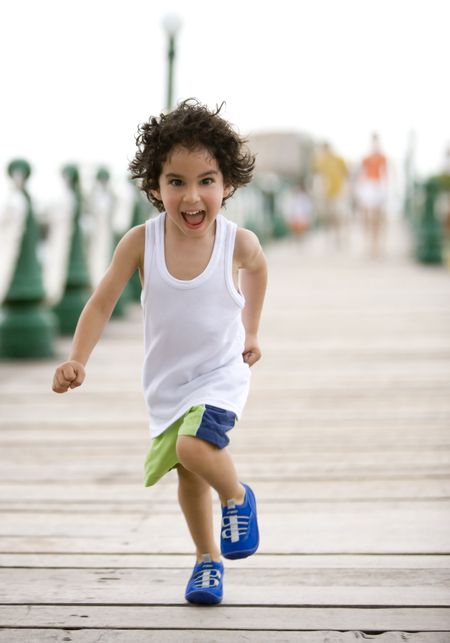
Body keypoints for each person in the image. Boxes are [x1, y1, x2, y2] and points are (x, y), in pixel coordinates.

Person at [52, 99, 268, 606]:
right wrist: (78, 356)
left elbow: (258, 270)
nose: (192, 197)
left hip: (220, 374)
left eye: (206, 181)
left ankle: (237, 496)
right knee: (188, 474)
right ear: (154, 188)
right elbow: (102, 301)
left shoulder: (236, 242)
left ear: (228, 184)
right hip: (168, 383)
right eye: (176, 182)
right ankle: (206, 559)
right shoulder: (139, 243)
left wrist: (251, 330)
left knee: (195, 448)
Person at [357, 132, 388, 257]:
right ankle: (370, 244)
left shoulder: (382, 157)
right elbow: (362, 174)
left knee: (377, 217)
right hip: (369, 186)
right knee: (368, 217)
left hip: (377, 186)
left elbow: (385, 173)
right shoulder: (367, 158)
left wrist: (385, 189)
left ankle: (376, 246)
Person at [313, 142, 349, 247]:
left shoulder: (338, 159)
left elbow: (345, 174)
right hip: (326, 193)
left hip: (337, 192)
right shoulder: (320, 161)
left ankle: (338, 238)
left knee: (337, 216)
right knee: (328, 217)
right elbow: (318, 176)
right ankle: (330, 238)